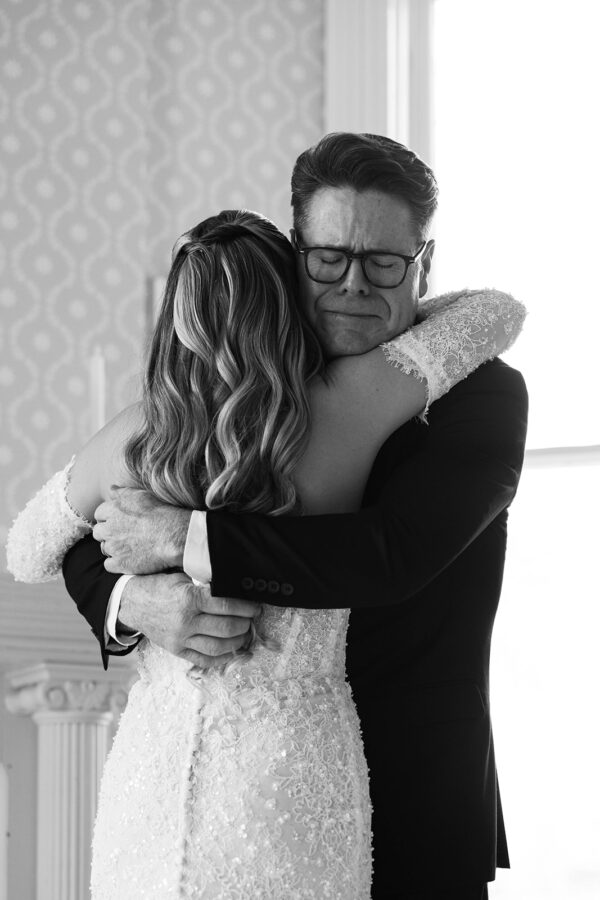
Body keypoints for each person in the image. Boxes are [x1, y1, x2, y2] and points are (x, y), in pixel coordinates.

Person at [7, 134, 527, 899]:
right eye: (330, 258)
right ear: (294, 256)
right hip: (231, 805)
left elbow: (392, 554)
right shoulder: (228, 389)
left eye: (385, 262)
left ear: (425, 260)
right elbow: (92, 531)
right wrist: (132, 599)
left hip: (414, 802)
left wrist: (189, 539)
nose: (354, 283)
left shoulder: (481, 393)